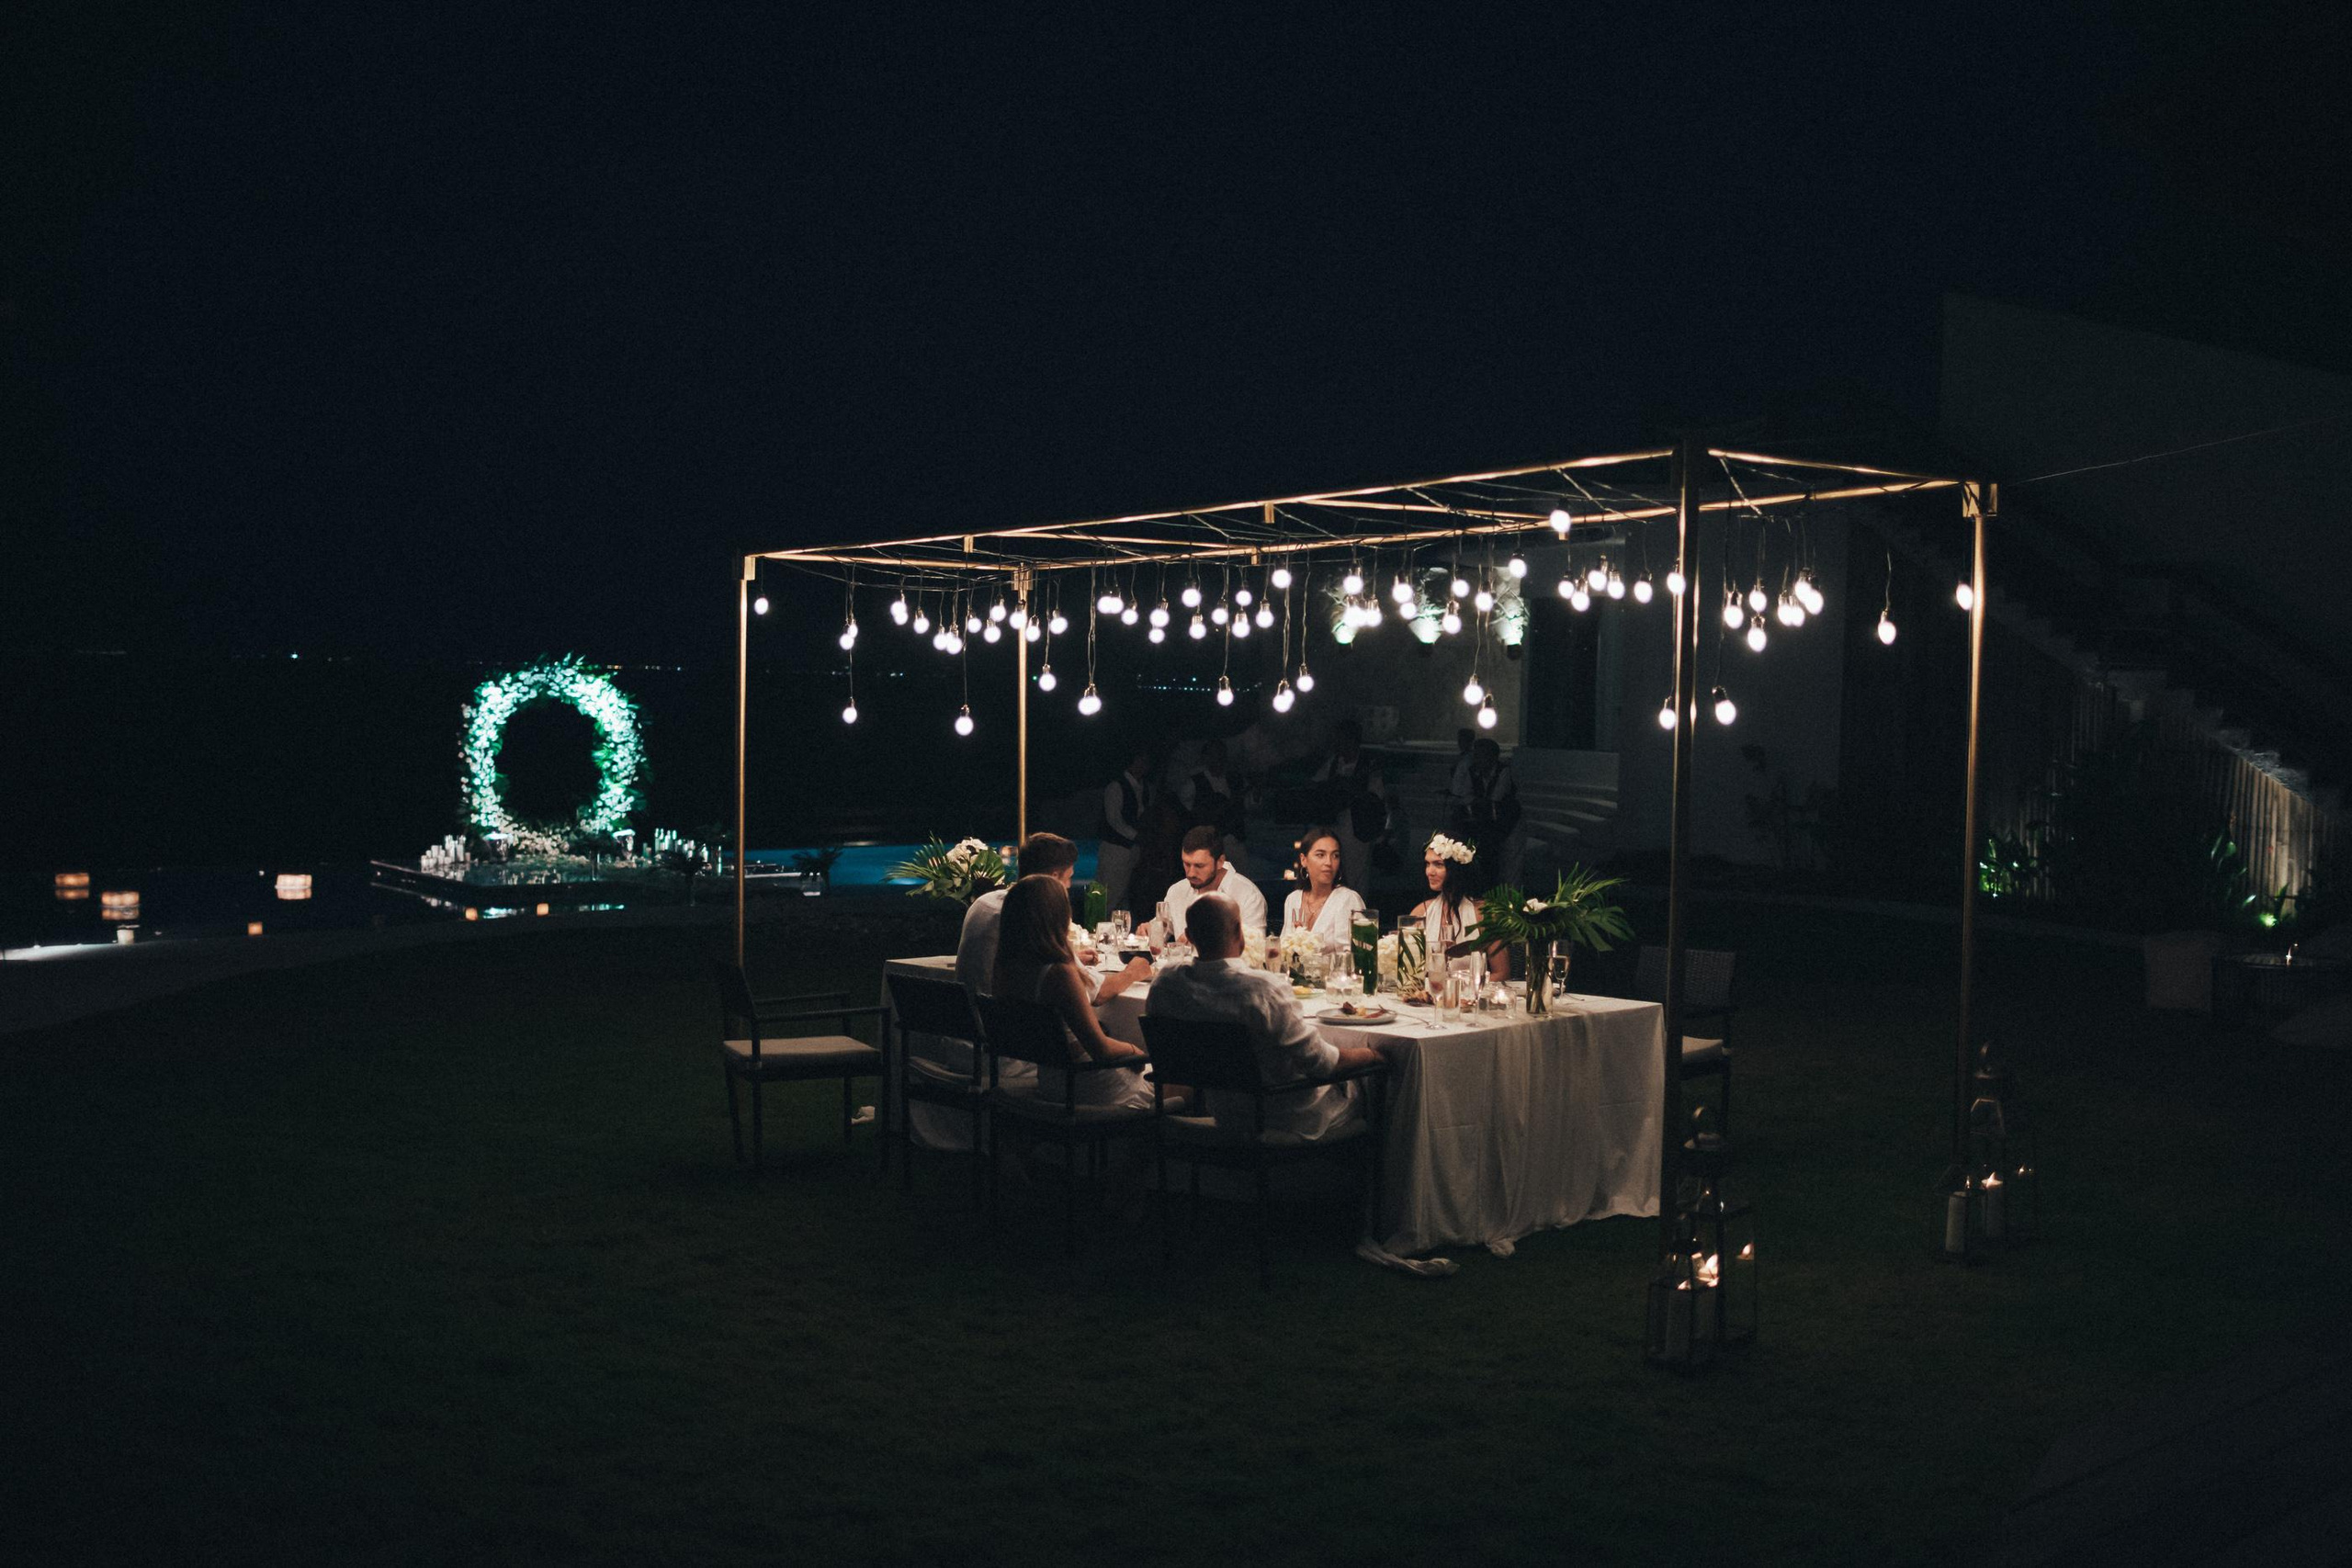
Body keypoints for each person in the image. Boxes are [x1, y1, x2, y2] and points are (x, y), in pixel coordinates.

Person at [1146, 895, 1382, 1141]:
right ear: (1240, 932)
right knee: (1374, 1079)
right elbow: (1322, 1063)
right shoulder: (1262, 989)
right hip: (1288, 1116)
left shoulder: (1166, 984)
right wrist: (1371, 1054)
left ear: (1189, 936)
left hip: (1225, 1111)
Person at [991, 874, 1158, 1111]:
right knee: (1181, 1077)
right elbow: (1101, 1050)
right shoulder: (1059, 974)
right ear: (1056, 916)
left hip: (1052, 1079)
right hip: (1086, 1082)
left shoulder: (1005, 968)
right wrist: (1135, 1050)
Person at [1412, 832, 1508, 980]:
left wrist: (1463, 989)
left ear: (1455, 868)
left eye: (1438, 864)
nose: (1429, 872)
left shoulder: (1483, 913)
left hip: (1470, 998)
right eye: (1427, 864)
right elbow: (1408, 970)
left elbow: (1502, 973)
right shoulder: (1421, 912)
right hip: (1429, 997)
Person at [1156, 824, 1268, 947]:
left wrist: (1205, 941)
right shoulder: (1177, 891)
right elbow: (1160, 931)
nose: (1191, 873)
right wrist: (1150, 932)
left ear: (1220, 862)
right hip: (1183, 965)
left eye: (1199, 866)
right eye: (1187, 864)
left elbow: (1255, 950)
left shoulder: (1248, 895)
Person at [1313, 717, 1387, 892]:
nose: (1338, 743)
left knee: (1356, 873)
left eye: (1341, 739)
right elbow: (1316, 784)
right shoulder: (1333, 762)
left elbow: (1377, 795)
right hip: (1332, 822)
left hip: (1357, 826)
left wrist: (1353, 791)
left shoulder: (1368, 765)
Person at [1280, 825, 1367, 954]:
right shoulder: (1293, 899)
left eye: (1335, 856)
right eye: (1320, 855)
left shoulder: (1347, 899)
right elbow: (1283, 948)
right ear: (1304, 860)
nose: (1329, 862)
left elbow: (1356, 956)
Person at [1095, 746, 1155, 915]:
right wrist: (1137, 836)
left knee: (1124, 897)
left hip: (1134, 849)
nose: (1145, 764)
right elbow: (1114, 820)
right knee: (1108, 895)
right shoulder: (1116, 786)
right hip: (1116, 849)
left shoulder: (1145, 788)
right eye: (1142, 760)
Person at [1464, 737, 1523, 888]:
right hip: (1489, 825)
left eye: (1480, 755)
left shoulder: (1504, 772)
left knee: (1510, 866)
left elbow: (1494, 799)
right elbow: (1465, 795)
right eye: (1475, 755)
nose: (1477, 759)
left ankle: (1510, 905)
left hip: (1509, 822)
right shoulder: (1473, 772)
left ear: (1492, 757)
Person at [1181, 737, 1247, 868]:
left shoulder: (1235, 779)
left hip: (1234, 840)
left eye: (1221, 754)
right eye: (1214, 755)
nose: (1218, 759)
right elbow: (1186, 811)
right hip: (1208, 845)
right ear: (1206, 758)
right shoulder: (1193, 783)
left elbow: (1247, 805)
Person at [1444, 727, 1476, 836]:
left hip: (1463, 800)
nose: (1459, 743)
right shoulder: (1463, 759)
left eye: (1462, 740)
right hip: (1458, 798)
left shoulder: (1469, 760)